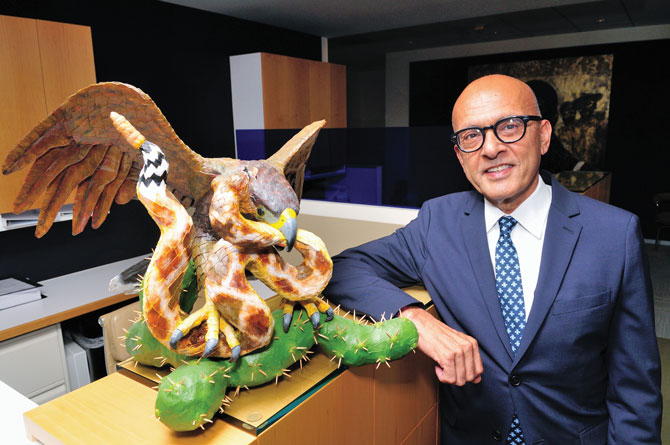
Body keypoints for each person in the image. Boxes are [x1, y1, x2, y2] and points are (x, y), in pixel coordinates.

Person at [325, 74, 661, 444]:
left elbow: (636, 393)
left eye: (509, 126)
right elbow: (343, 268)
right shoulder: (438, 222)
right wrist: (416, 320)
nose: (491, 148)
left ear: (544, 136)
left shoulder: (614, 235)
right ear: (460, 155)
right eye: (471, 136)